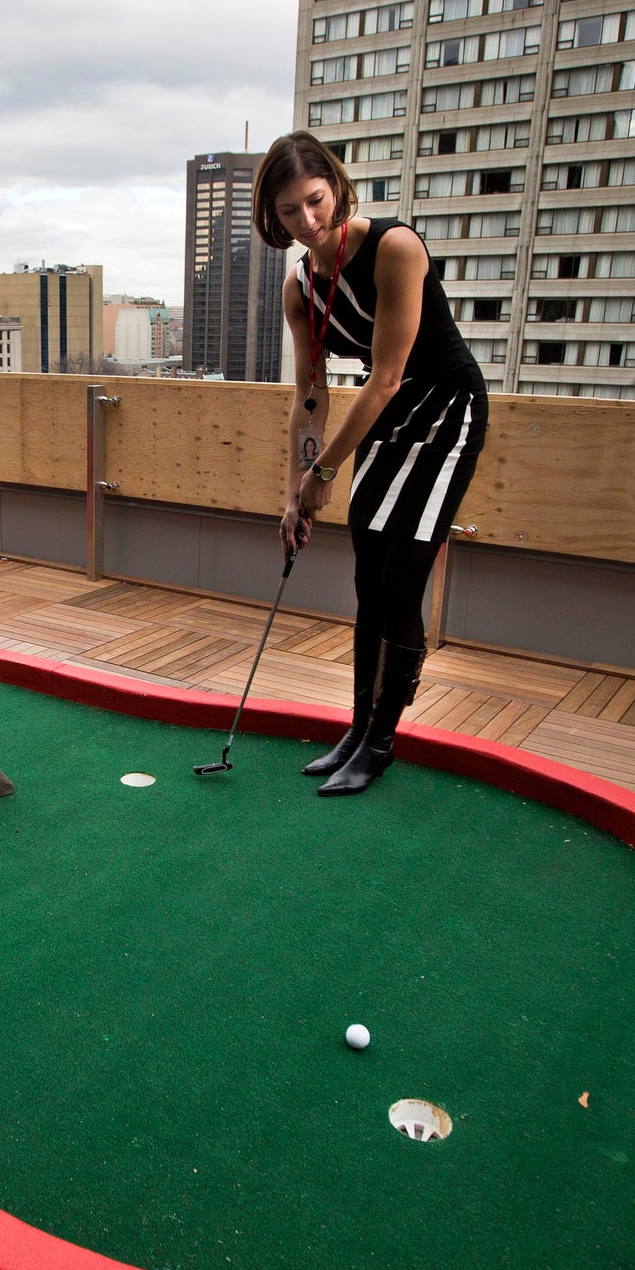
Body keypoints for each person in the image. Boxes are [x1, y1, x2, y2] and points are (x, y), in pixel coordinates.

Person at [254, 131, 487, 796]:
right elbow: (310, 395)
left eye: (315, 201)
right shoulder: (301, 285)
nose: (308, 221)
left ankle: (381, 743)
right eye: (290, 212)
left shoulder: (394, 248)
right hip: (383, 421)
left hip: (444, 413)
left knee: (400, 577)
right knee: (368, 579)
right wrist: (294, 493)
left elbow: (385, 377)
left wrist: (323, 472)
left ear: (336, 185)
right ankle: (356, 730)